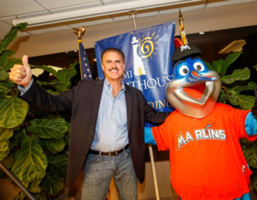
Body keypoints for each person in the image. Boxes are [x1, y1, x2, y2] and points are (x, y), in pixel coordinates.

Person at [9, 47, 169, 200]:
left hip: (127, 159)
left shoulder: (135, 95)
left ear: (124, 65)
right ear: (102, 66)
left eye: (118, 61)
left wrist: (186, 114)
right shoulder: (84, 89)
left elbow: (155, 116)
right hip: (97, 161)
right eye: (109, 62)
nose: (114, 66)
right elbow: (52, 103)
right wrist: (27, 84)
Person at [144, 43, 257, 200]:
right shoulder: (174, 120)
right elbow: (154, 136)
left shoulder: (226, 112)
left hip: (231, 191)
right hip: (192, 192)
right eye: (185, 71)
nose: (193, 77)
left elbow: (249, 125)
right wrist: (126, 128)